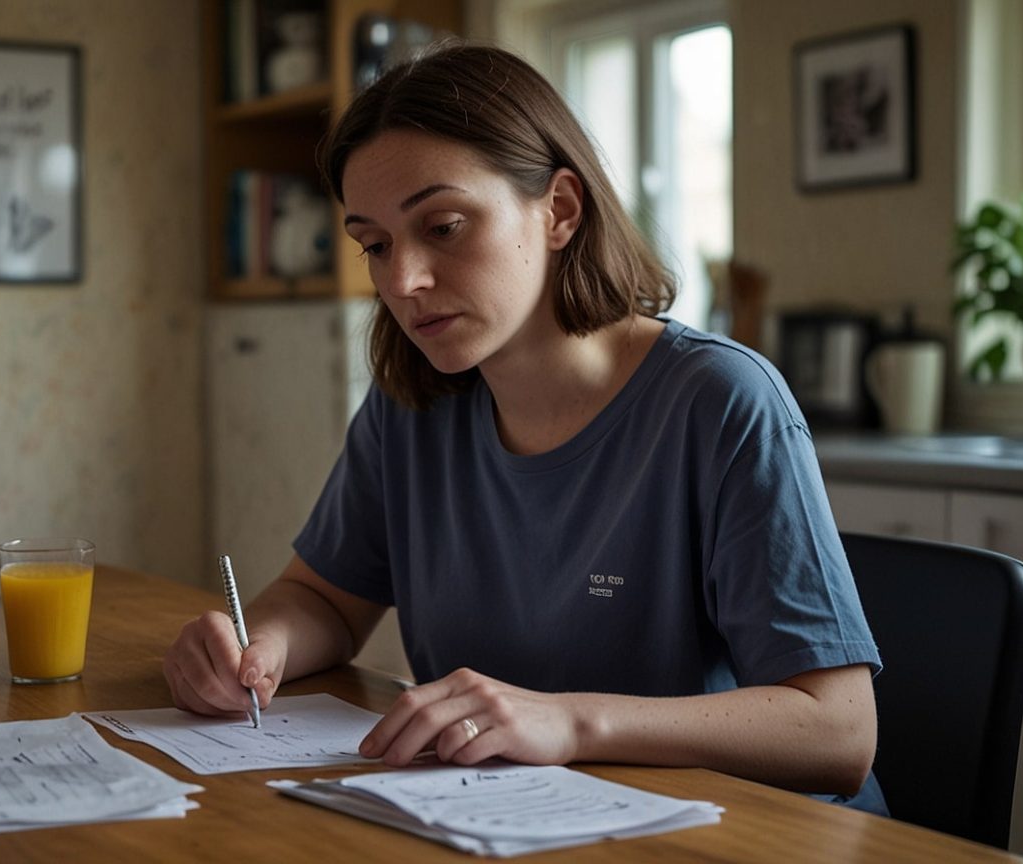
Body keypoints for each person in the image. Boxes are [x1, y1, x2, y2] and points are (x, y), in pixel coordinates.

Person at [165, 42, 884, 811]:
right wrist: (258, 647)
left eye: (442, 226)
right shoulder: (415, 403)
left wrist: (572, 721)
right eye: (374, 245)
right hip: (507, 819)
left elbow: (837, 734)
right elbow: (327, 602)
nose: (402, 281)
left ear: (559, 211)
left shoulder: (720, 400)